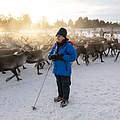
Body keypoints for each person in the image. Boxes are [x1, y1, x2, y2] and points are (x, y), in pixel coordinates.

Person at [48, 28, 77, 107]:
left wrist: (62, 57)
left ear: (64, 37)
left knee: (65, 85)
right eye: (57, 36)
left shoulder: (68, 46)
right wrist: (50, 56)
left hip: (65, 70)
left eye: (59, 36)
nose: (58, 37)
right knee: (59, 84)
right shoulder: (56, 45)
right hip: (57, 69)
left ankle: (65, 99)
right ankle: (60, 96)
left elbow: (73, 56)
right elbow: (50, 53)